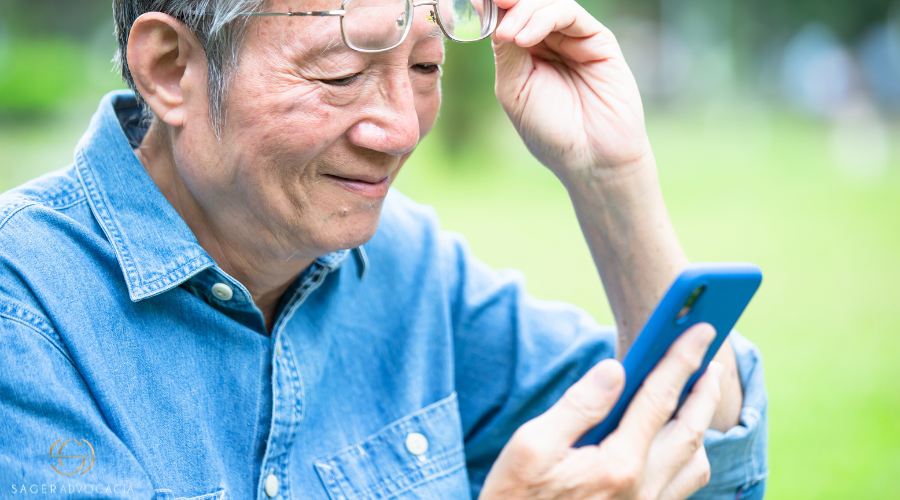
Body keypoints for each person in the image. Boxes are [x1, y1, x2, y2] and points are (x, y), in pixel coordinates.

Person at [0, 0, 767, 499]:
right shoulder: (23, 314)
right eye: (339, 72)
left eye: (427, 67)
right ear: (172, 68)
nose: (400, 129)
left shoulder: (409, 265)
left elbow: (700, 461)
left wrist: (611, 179)